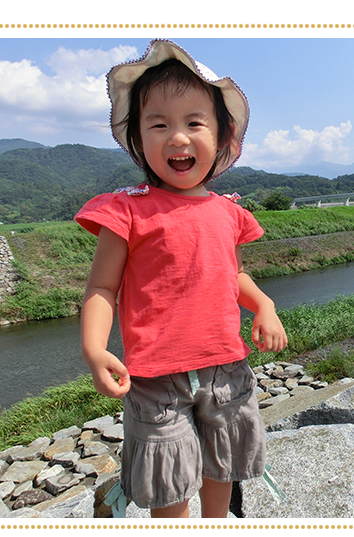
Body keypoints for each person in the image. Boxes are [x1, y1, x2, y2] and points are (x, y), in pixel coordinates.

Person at [75, 40, 288, 518]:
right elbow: (102, 288)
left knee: (224, 460)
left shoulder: (228, 212)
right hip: (154, 379)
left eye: (194, 122)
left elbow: (232, 275)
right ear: (138, 137)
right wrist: (94, 348)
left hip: (226, 369)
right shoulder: (125, 210)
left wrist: (264, 305)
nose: (177, 137)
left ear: (222, 136)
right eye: (159, 124)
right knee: (168, 477)